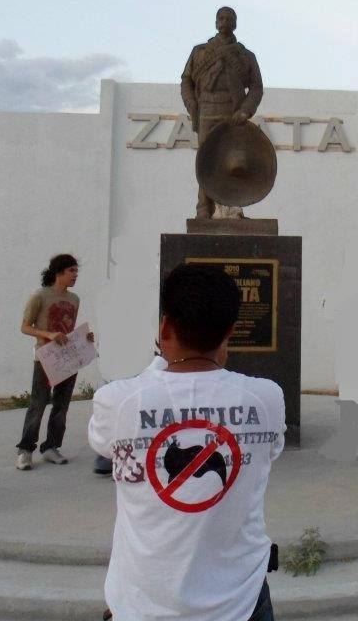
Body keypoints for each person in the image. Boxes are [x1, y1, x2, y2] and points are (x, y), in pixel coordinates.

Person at [89, 263, 285, 621]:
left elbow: (104, 445)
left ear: (165, 326)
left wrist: (161, 362)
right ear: (230, 330)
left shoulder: (118, 401)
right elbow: (270, 450)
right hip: (242, 602)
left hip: (142, 603)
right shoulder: (265, 398)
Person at [181, 7, 263, 218]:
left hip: (233, 112)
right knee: (207, 159)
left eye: (230, 19)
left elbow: (256, 87)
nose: (225, 21)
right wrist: (192, 105)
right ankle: (203, 208)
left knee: (231, 160)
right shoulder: (200, 52)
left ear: (235, 24)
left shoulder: (245, 56)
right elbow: (186, 81)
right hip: (207, 108)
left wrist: (245, 110)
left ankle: (231, 206)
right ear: (216, 22)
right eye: (221, 18)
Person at [16, 254, 92, 470]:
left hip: (67, 358)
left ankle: (51, 446)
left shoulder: (74, 299)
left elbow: (68, 330)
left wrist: (84, 340)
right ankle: (25, 449)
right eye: (71, 271)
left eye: (77, 271)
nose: (75, 276)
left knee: (62, 405)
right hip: (45, 357)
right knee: (38, 403)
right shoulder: (40, 296)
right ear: (58, 272)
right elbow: (25, 327)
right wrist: (48, 335)